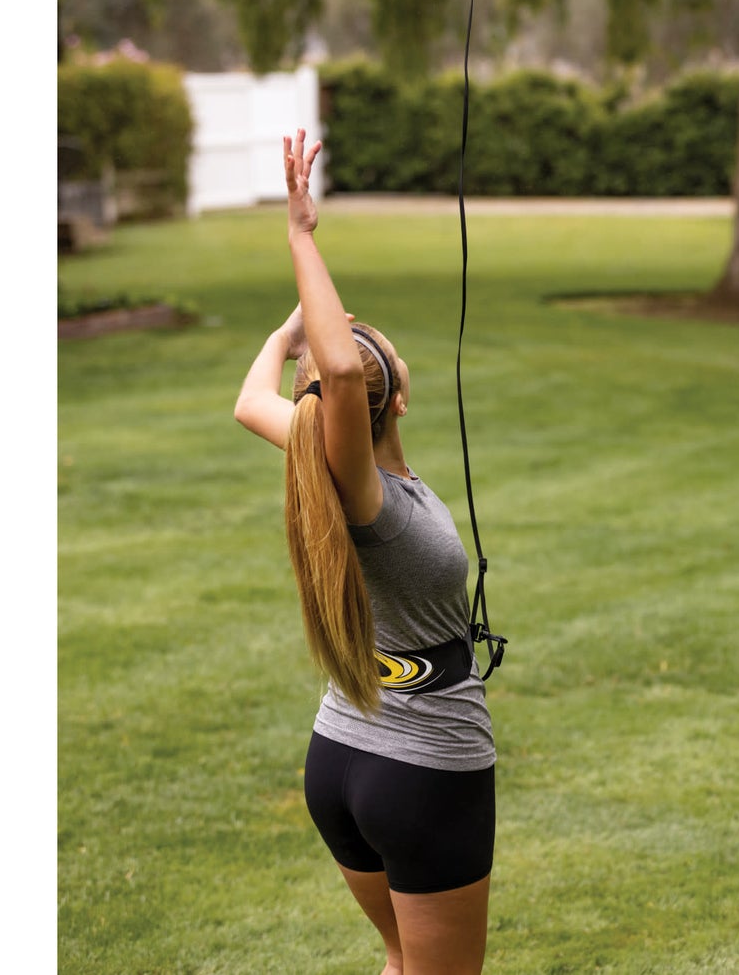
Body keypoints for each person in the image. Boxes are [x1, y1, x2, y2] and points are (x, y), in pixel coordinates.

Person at [234, 128, 496, 975]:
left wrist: (287, 336)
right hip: (419, 770)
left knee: (399, 960)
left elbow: (251, 402)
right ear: (395, 400)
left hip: (343, 756)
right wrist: (300, 237)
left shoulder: (316, 460)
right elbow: (341, 377)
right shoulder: (365, 499)